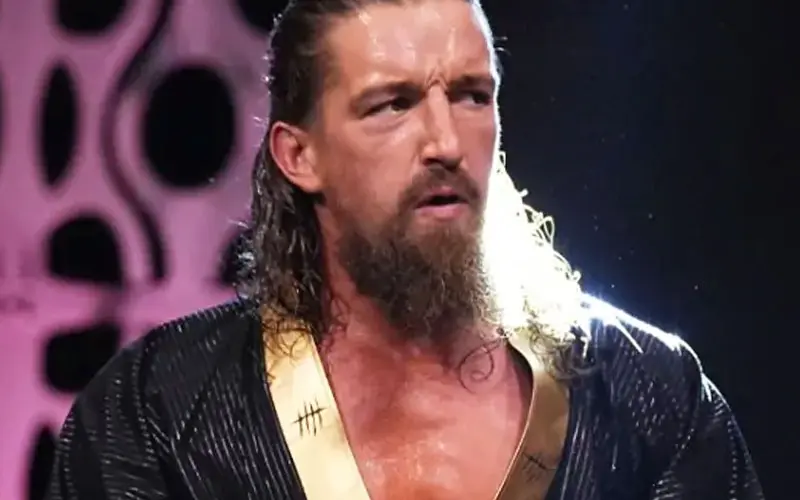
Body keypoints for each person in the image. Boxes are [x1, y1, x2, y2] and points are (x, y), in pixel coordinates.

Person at [46, 0, 764, 498]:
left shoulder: (647, 397)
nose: (446, 142)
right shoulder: (159, 414)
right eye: (392, 104)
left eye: (472, 96)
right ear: (299, 156)